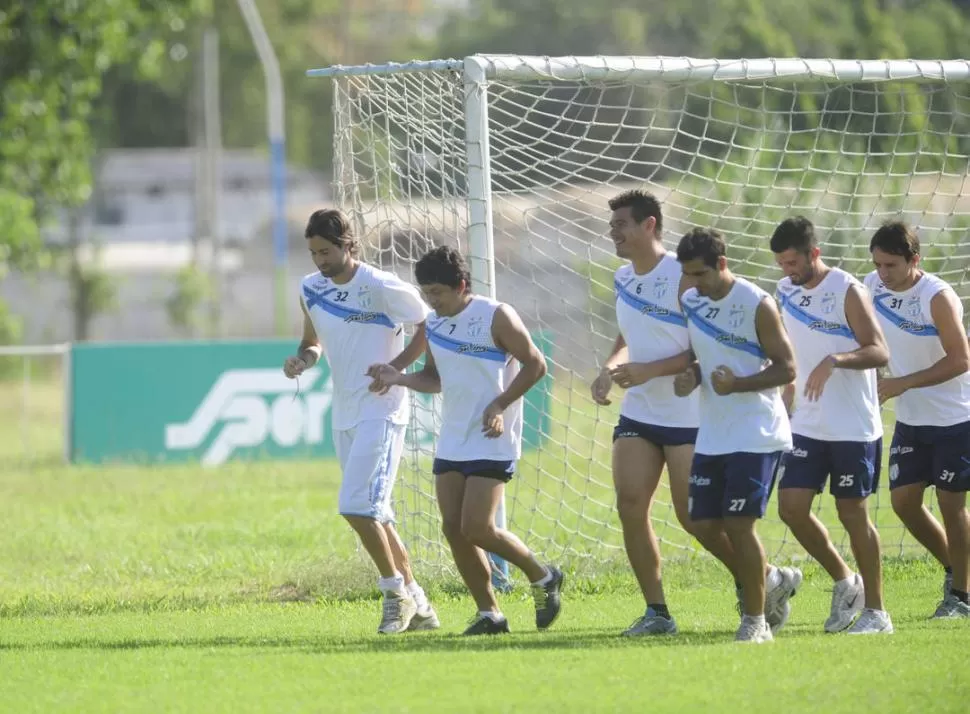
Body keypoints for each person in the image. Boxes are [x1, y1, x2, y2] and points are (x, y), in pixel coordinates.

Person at [369, 245, 563, 635]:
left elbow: (536, 364)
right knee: (453, 529)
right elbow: (434, 378)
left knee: (477, 527)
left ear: (460, 285)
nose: (431, 302)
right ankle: (489, 613)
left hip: (493, 437)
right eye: (426, 294)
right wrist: (398, 377)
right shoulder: (436, 326)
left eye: (437, 293)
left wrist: (500, 404)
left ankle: (542, 575)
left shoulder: (496, 315)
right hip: (453, 439)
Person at [283, 208, 439, 635]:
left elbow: (429, 323)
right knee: (378, 514)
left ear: (347, 245)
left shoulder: (382, 286)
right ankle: (421, 605)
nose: (320, 261)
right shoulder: (310, 288)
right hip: (345, 413)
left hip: (383, 411)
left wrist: (399, 368)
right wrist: (302, 360)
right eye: (314, 252)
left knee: (356, 505)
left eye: (327, 251)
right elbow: (311, 341)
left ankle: (395, 596)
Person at [674, 227, 799, 643]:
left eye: (699, 274)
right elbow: (703, 356)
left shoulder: (757, 303)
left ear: (721, 265)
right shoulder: (692, 302)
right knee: (703, 524)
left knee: (738, 523)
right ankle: (769, 579)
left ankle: (756, 620)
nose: (692, 284)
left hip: (757, 431)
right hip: (714, 432)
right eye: (687, 275)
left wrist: (739, 384)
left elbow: (787, 368)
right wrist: (691, 375)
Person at [771, 216, 893, 634]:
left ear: (814, 254)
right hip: (806, 422)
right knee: (791, 508)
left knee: (852, 514)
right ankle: (846, 581)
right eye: (781, 264)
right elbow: (791, 351)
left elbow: (879, 351)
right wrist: (787, 395)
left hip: (853, 426)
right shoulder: (784, 291)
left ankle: (877, 612)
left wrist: (836, 360)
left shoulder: (847, 289)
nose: (787, 271)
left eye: (793, 262)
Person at [864, 220, 970, 619]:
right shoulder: (871, 286)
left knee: (950, 505)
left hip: (955, 419)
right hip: (912, 420)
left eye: (891, 265)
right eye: (877, 264)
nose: (882, 273)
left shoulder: (937, 296)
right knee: (904, 502)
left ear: (914, 260)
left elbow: (961, 360)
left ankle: (960, 594)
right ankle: (958, 570)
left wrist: (902, 383)